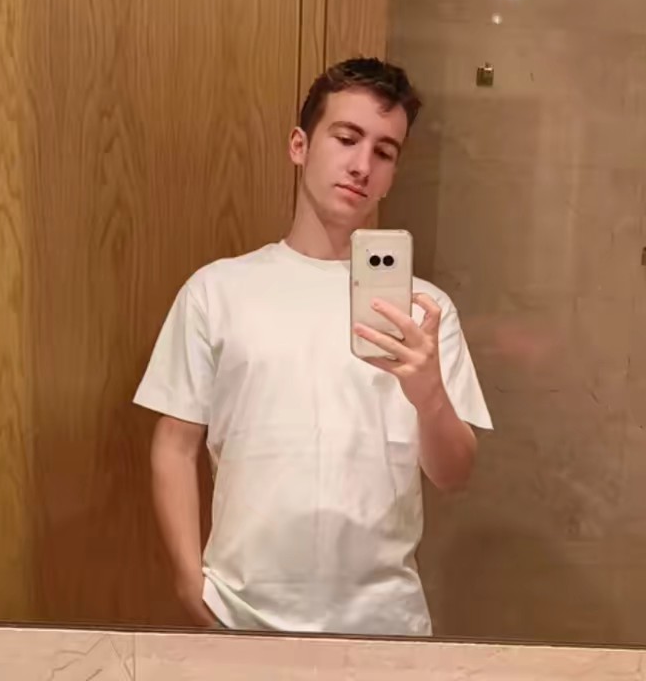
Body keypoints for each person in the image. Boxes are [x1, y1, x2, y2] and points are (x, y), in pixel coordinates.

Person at [133, 57, 492, 637]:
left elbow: (453, 475)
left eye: (384, 152)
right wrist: (187, 581)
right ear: (299, 145)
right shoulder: (217, 291)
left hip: (385, 627)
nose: (362, 166)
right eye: (346, 138)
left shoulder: (424, 309)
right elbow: (175, 444)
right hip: (239, 617)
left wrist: (429, 396)